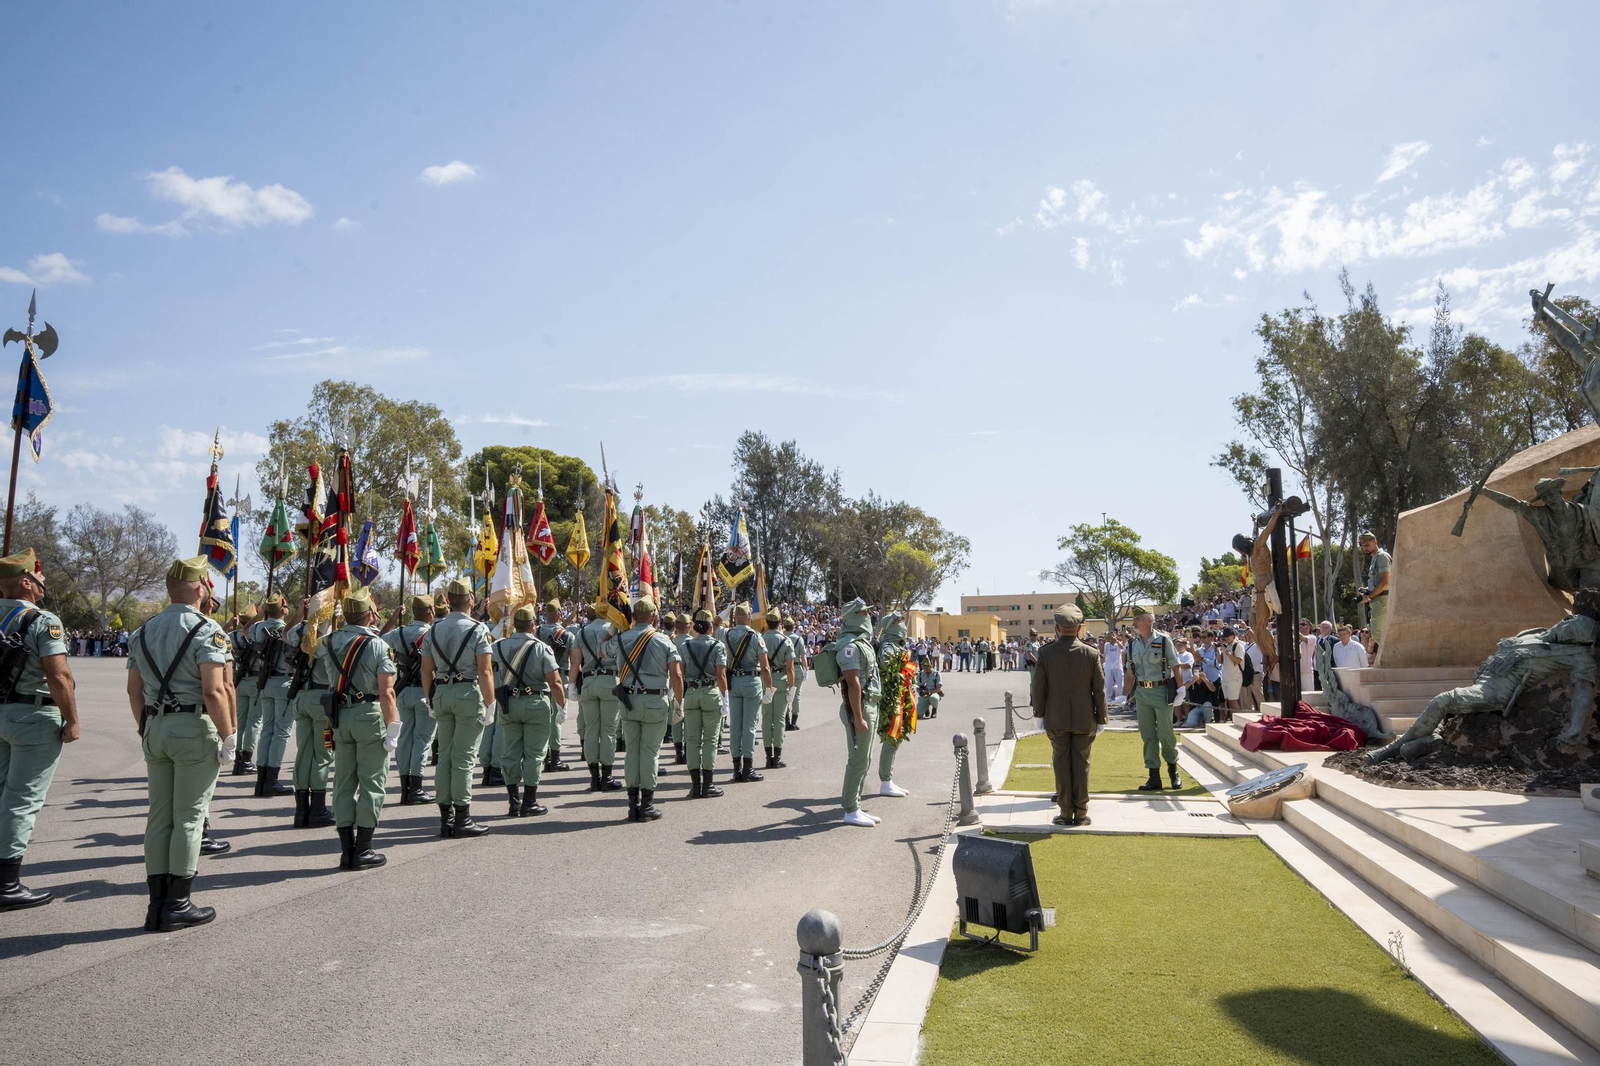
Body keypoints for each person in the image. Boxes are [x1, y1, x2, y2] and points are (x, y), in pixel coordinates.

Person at [128, 557, 234, 931]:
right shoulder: (207, 629)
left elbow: (134, 689)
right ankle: (178, 904)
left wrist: (147, 728)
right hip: (192, 727)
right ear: (201, 588)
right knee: (189, 818)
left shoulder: (142, 631)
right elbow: (214, 689)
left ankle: (156, 905)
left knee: (159, 817)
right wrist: (228, 736)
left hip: (155, 726)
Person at [0, 548, 78, 912]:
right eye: (39, 576)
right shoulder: (43, 620)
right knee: (21, 799)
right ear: (27, 582)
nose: (44, 581)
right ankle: (6, 883)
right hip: (32, 716)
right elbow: (58, 673)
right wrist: (72, 719)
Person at [314, 588, 399, 869]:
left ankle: (345, 849)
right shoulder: (376, 645)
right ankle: (363, 849)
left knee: (343, 783)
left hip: (340, 716)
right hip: (369, 716)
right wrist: (393, 728)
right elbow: (387, 693)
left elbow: (330, 680)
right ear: (368, 614)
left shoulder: (328, 642)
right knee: (372, 783)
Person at [419, 577, 494, 838]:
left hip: (441, 692)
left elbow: (425, 670)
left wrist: (430, 699)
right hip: (467, 694)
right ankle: (462, 819)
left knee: (445, 758)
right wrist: (490, 703)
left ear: (448, 602)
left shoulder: (433, 629)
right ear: (471, 601)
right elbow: (485, 671)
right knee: (463, 759)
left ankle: (445, 818)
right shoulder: (477, 629)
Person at [603, 595, 683, 820]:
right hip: (655, 702)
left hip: (629, 701)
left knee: (632, 752)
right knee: (650, 752)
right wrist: (679, 702)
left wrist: (614, 626)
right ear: (654, 617)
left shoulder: (620, 639)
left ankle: (632, 804)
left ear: (633, 617)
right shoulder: (664, 640)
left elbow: (601, 650)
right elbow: (676, 675)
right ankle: (646, 806)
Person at [1030, 605, 1105, 827]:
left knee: (1061, 764)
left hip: (1056, 718)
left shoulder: (1046, 652)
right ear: (1080, 628)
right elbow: (1099, 689)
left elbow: (1038, 687)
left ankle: (1065, 812)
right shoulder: (1091, 653)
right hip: (1084, 719)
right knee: (1082, 765)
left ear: (1057, 628)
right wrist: (1101, 718)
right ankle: (1081, 813)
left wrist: (1039, 714)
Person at [491, 603, 565, 817]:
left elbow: (485, 661)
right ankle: (529, 802)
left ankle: (513, 802)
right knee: (534, 754)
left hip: (509, 704)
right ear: (533, 625)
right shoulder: (542, 648)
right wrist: (561, 705)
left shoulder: (500, 646)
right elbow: (555, 682)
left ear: (515, 624)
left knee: (511, 752)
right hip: (535, 704)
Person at [285, 601, 335, 830]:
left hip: (302, 698)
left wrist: (301, 614)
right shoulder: (328, 638)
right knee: (323, 754)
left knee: (303, 754)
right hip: (321, 701)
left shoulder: (299, 632)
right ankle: (317, 808)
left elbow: (285, 633)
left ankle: (301, 809)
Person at [382, 595, 436, 806]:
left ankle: (405, 788)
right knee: (422, 740)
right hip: (425, 691)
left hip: (403, 692)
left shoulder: (399, 633)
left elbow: (380, 636)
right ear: (431, 612)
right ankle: (416, 787)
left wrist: (395, 617)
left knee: (404, 740)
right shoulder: (432, 633)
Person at [835, 599, 882, 827]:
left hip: (869, 704)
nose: (867, 616)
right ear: (853, 616)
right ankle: (850, 809)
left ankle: (857, 805)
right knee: (857, 760)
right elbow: (853, 684)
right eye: (863, 612)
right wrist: (859, 717)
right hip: (859, 707)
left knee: (865, 759)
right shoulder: (849, 646)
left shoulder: (860, 642)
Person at [569, 603, 624, 793]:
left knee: (592, 729)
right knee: (608, 730)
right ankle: (607, 776)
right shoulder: (614, 630)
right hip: (609, 679)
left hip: (589, 681)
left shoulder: (581, 633)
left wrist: (571, 685)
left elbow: (575, 661)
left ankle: (594, 778)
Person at [1127, 608, 1183, 792]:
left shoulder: (1164, 640)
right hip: (1142, 692)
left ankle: (1173, 771)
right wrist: (1125, 692)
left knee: (1166, 734)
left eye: (1138, 619)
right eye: (1134, 619)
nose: (1135, 622)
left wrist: (1181, 689)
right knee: (1148, 735)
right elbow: (1130, 672)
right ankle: (1154, 777)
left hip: (1161, 690)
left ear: (1150, 621)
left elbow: (1176, 667)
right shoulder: (1132, 644)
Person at [680, 608, 729, 798]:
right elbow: (721, 674)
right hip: (710, 692)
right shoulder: (717, 646)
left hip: (691, 692)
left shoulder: (685, 646)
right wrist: (725, 697)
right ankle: (708, 785)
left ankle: (695, 786)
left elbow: (681, 673)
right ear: (710, 628)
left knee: (692, 741)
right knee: (709, 740)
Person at [251, 592, 296, 799]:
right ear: (284, 609)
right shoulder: (290, 630)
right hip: (283, 682)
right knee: (281, 732)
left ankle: (262, 780)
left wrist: (262, 614)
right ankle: (272, 779)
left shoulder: (257, 628)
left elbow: (245, 630)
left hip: (265, 682)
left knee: (266, 730)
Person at [722, 603, 773, 783]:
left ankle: (736, 768)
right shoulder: (755, 637)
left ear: (735, 617)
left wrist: (726, 611)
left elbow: (714, 624)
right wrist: (769, 688)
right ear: (749, 618)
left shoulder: (726, 634)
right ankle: (748, 768)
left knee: (735, 726)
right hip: (751, 680)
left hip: (733, 681)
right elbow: (765, 667)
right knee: (749, 726)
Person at [535, 598, 574, 775]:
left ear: (546, 614)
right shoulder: (568, 635)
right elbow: (574, 661)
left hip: (541, 679)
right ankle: (555, 758)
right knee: (556, 719)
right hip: (561, 677)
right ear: (559, 614)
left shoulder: (537, 631)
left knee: (543, 719)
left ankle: (544, 756)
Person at [875, 612, 911, 798]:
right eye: (898, 621)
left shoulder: (896, 645)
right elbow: (887, 669)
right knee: (891, 738)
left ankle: (888, 779)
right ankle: (885, 782)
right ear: (890, 626)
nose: (902, 624)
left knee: (895, 739)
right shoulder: (888, 646)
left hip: (900, 696)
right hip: (892, 698)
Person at [760, 607, 796, 769]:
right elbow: (790, 668)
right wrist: (793, 687)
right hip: (781, 680)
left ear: (767, 623)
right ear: (780, 623)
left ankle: (768, 757)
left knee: (767, 719)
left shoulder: (760, 639)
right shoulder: (786, 641)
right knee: (780, 720)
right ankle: (777, 757)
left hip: (764, 680)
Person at [227, 601, 260, 776]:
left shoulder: (233, 636)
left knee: (240, 721)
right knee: (254, 722)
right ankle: (246, 759)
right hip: (255, 680)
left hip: (240, 680)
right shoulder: (256, 635)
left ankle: (238, 759)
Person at [1359, 531, 1392, 649]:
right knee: (1380, 632)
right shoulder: (1375, 558)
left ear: (1375, 542)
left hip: (1382, 599)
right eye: (1363, 546)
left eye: (1367, 545)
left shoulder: (1382, 557)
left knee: (1378, 632)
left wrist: (1368, 597)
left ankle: (1393, 655)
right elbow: (1379, 582)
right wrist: (1367, 590)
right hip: (1378, 599)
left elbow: (1385, 581)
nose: (1365, 548)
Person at [784, 615, 806, 731]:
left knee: (785, 694)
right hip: (796, 667)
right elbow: (803, 656)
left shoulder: (782, 637)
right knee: (796, 695)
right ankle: (794, 722)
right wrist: (806, 669)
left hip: (784, 668)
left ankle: (786, 721)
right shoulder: (799, 639)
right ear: (793, 627)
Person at [916, 656, 943, 721]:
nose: (926, 670)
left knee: (934, 698)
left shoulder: (936, 674)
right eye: (924, 668)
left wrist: (929, 692)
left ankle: (934, 710)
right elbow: (917, 687)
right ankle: (926, 708)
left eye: (927, 667)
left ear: (930, 666)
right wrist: (920, 692)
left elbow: (938, 688)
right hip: (924, 696)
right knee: (918, 715)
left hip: (934, 693)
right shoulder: (920, 674)